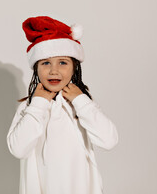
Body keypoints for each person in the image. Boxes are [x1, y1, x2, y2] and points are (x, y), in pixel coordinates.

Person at [6, 16, 119, 194]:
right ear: (36, 68)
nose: (54, 70)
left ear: (75, 67)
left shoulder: (82, 104)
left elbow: (109, 140)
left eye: (63, 62)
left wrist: (81, 101)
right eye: (45, 63)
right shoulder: (30, 107)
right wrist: (38, 104)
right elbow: (18, 149)